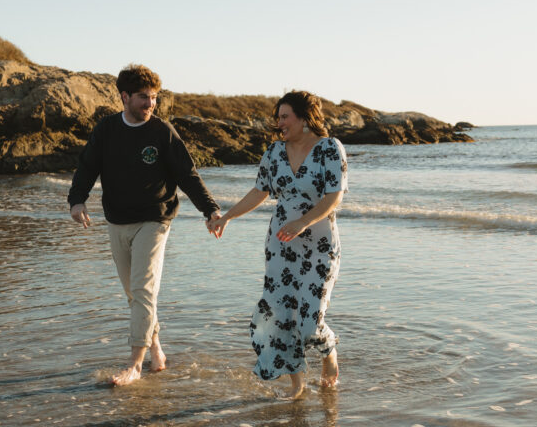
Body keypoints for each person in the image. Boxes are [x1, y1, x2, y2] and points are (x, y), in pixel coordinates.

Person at [68, 64, 221, 386]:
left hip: (155, 219)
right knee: (134, 294)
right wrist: (77, 200)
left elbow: (187, 175)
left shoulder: (162, 131)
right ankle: (156, 349)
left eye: (154, 98)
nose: (150, 104)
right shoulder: (107, 130)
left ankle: (134, 365)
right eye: (143, 98)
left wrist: (210, 210)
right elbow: (87, 167)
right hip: (117, 220)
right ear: (124, 97)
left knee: (142, 290)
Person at [210, 90, 347, 400]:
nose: (279, 122)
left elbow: (333, 196)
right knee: (281, 314)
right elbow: (259, 192)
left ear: (304, 118)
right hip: (281, 246)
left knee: (310, 321)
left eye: (285, 116)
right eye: (278, 116)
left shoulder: (329, 149)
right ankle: (297, 385)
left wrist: (303, 222)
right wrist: (227, 217)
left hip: (319, 246)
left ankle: (329, 353)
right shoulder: (274, 152)